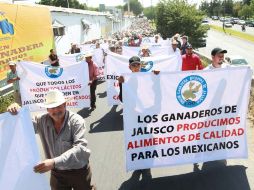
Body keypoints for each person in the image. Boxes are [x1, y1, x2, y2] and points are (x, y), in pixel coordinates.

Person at [7, 89, 96, 190]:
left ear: (65, 105)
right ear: (47, 109)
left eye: (59, 106)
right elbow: (23, 125)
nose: (56, 110)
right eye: (52, 108)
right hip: (57, 173)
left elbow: (80, 149)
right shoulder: (41, 120)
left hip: (78, 171)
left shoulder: (76, 121)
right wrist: (16, 111)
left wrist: (54, 162)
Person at [118, 56, 157, 180]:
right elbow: (122, 99)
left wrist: (157, 76)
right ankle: (138, 163)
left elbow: (156, 91)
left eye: (138, 65)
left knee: (147, 139)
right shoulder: (126, 80)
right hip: (133, 116)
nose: (136, 67)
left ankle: (147, 167)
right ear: (129, 67)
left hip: (145, 115)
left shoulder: (148, 77)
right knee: (137, 140)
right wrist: (121, 84)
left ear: (141, 66)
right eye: (133, 65)